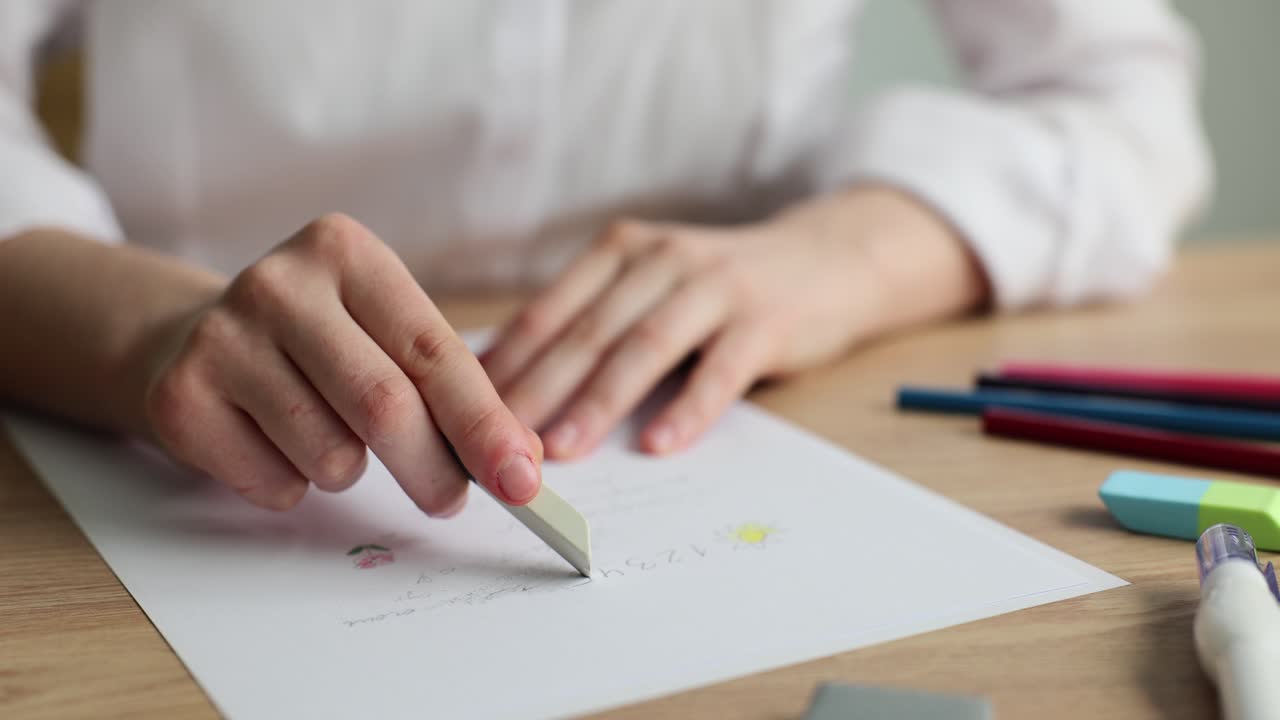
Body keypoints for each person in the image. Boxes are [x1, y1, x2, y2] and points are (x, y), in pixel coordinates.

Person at [0, 2, 1211, 518]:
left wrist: (840, 255)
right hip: (134, 472)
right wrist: (146, 329)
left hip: (747, 426)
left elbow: (1125, 106)